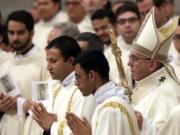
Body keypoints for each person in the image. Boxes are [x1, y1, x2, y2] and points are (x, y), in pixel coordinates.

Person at [128, 8, 180, 134]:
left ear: (152, 64)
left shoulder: (167, 93)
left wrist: (144, 126)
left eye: (134, 59)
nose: (129, 64)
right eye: (130, 57)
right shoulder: (148, 83)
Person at [31, 36, 96, 135]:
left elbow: (80, 130)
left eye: (53, 61)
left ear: (70, 61)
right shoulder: (54, 85)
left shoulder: (83, 90)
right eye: (47, 61)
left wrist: (51, 125)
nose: (48, 67)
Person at [65, 50, 140, 135]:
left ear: (92, 76)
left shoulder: (110, 108)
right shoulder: (110, 102)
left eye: (78, 77)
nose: (76, 83)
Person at [0, 10, 50, 135]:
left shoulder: (44, 62)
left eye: (20, 32)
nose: (15, 38)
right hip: (8, 125)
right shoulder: (4, 62)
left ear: (32, 33)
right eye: (11, 33)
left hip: (33, 126)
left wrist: (20, 103)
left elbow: (46, 101)